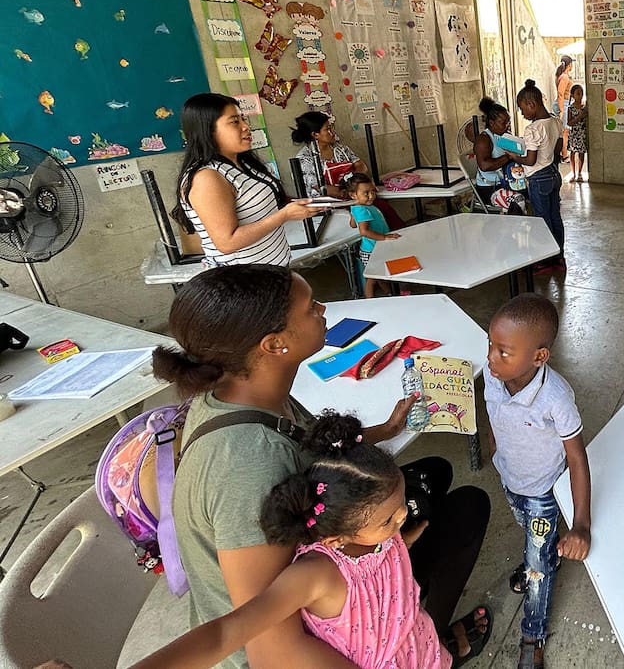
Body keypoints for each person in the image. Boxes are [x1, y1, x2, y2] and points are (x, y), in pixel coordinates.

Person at [152, 265, 491, 669]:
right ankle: (409, 644)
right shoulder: (245, 465)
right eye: (310, 308)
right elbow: (271, 647)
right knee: (468, 508)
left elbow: (310, 444)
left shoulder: (249, 391)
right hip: (292, 644)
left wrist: (384, 430)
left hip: (311, 558)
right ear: (274, 344)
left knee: (433, 473)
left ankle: (411, 628)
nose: (323, 307)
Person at [131, 412, 486, 669]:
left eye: (399, 508)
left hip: (417, 647)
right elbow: (226, 633)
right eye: (388, 519)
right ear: (334, 538)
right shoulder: (316, 574)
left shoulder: (375, 537)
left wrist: (401, 542)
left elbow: (380, 573)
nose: (402, 517)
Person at [484, 294, 592, 669]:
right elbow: (494, 417)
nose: (491, 358)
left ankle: (532, 634)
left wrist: (580, 525)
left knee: (537, 568)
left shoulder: (556, 398)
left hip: (543, 493)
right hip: (510, 478)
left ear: (539, 356)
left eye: (503, 352)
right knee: (534, 541)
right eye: (490, 345)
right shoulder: (494, 379)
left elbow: (577, 458)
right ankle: (542, 554)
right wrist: (497, 450)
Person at [171, 93, 320, 267]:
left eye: (244, 119)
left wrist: (304, 204)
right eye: (235, 122)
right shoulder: (206, 177)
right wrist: (285, 215)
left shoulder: (242, 162)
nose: (246, 127)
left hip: (273, 270)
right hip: (244, 282)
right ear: (207, 129)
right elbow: (227, 242)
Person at [291, 111, 404, 231]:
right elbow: (315, 187)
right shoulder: (304, 159)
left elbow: (361, 166)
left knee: (383, 208)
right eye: (327, 129)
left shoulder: (340, 149)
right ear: (315, 134)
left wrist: (353, 184)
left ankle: (399, 238)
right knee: (363, 216)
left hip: (352, 195)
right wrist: (342, 191)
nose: (332, 132)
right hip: (329, 205)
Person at [511, 80, 566, 271]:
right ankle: (559, 256)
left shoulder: (533, 129)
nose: (522, 113)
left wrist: (514, 155)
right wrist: (547, 151)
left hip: (538, 177)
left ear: (531, 104)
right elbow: (559, 148)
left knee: (542, 220)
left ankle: (545, 259)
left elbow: (531, 161)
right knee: (555, 216)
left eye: (522, 108)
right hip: (553, 173)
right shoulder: (555, 121)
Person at [346, 174, 401, 299]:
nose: (371, 196)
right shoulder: (362, 209)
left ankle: (390, 294)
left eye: (372, 191)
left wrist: (353, 214)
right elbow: (364, 231)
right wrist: (384, 237)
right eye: (366, 193)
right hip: (372, 250)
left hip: (374, 247)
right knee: (372, 279)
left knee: (379, 275)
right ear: (353, 195)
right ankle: (369, 301)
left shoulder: (358, 207)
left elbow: (353, 225)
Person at [474, 97, 519, 206]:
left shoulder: (504, 135)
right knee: (518, 200)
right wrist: (508, 156)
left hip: (505, 183)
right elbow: (484, 166)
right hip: (489, 188)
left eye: (508, 122)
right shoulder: (484, 139)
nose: (507, 125)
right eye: (503, 122)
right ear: (492, 123)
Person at [565, 84, 588, 184]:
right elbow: (569, 122)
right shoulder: (570, 108)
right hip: (574, 133)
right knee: (573, 153)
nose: (580, 95)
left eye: (582, 93)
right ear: (573, 95)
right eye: (578, 93)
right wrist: (579, 117)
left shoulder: (585, 107)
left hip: (582, 133)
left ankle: (579, 173)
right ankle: (573, 173)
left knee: (581, 153)